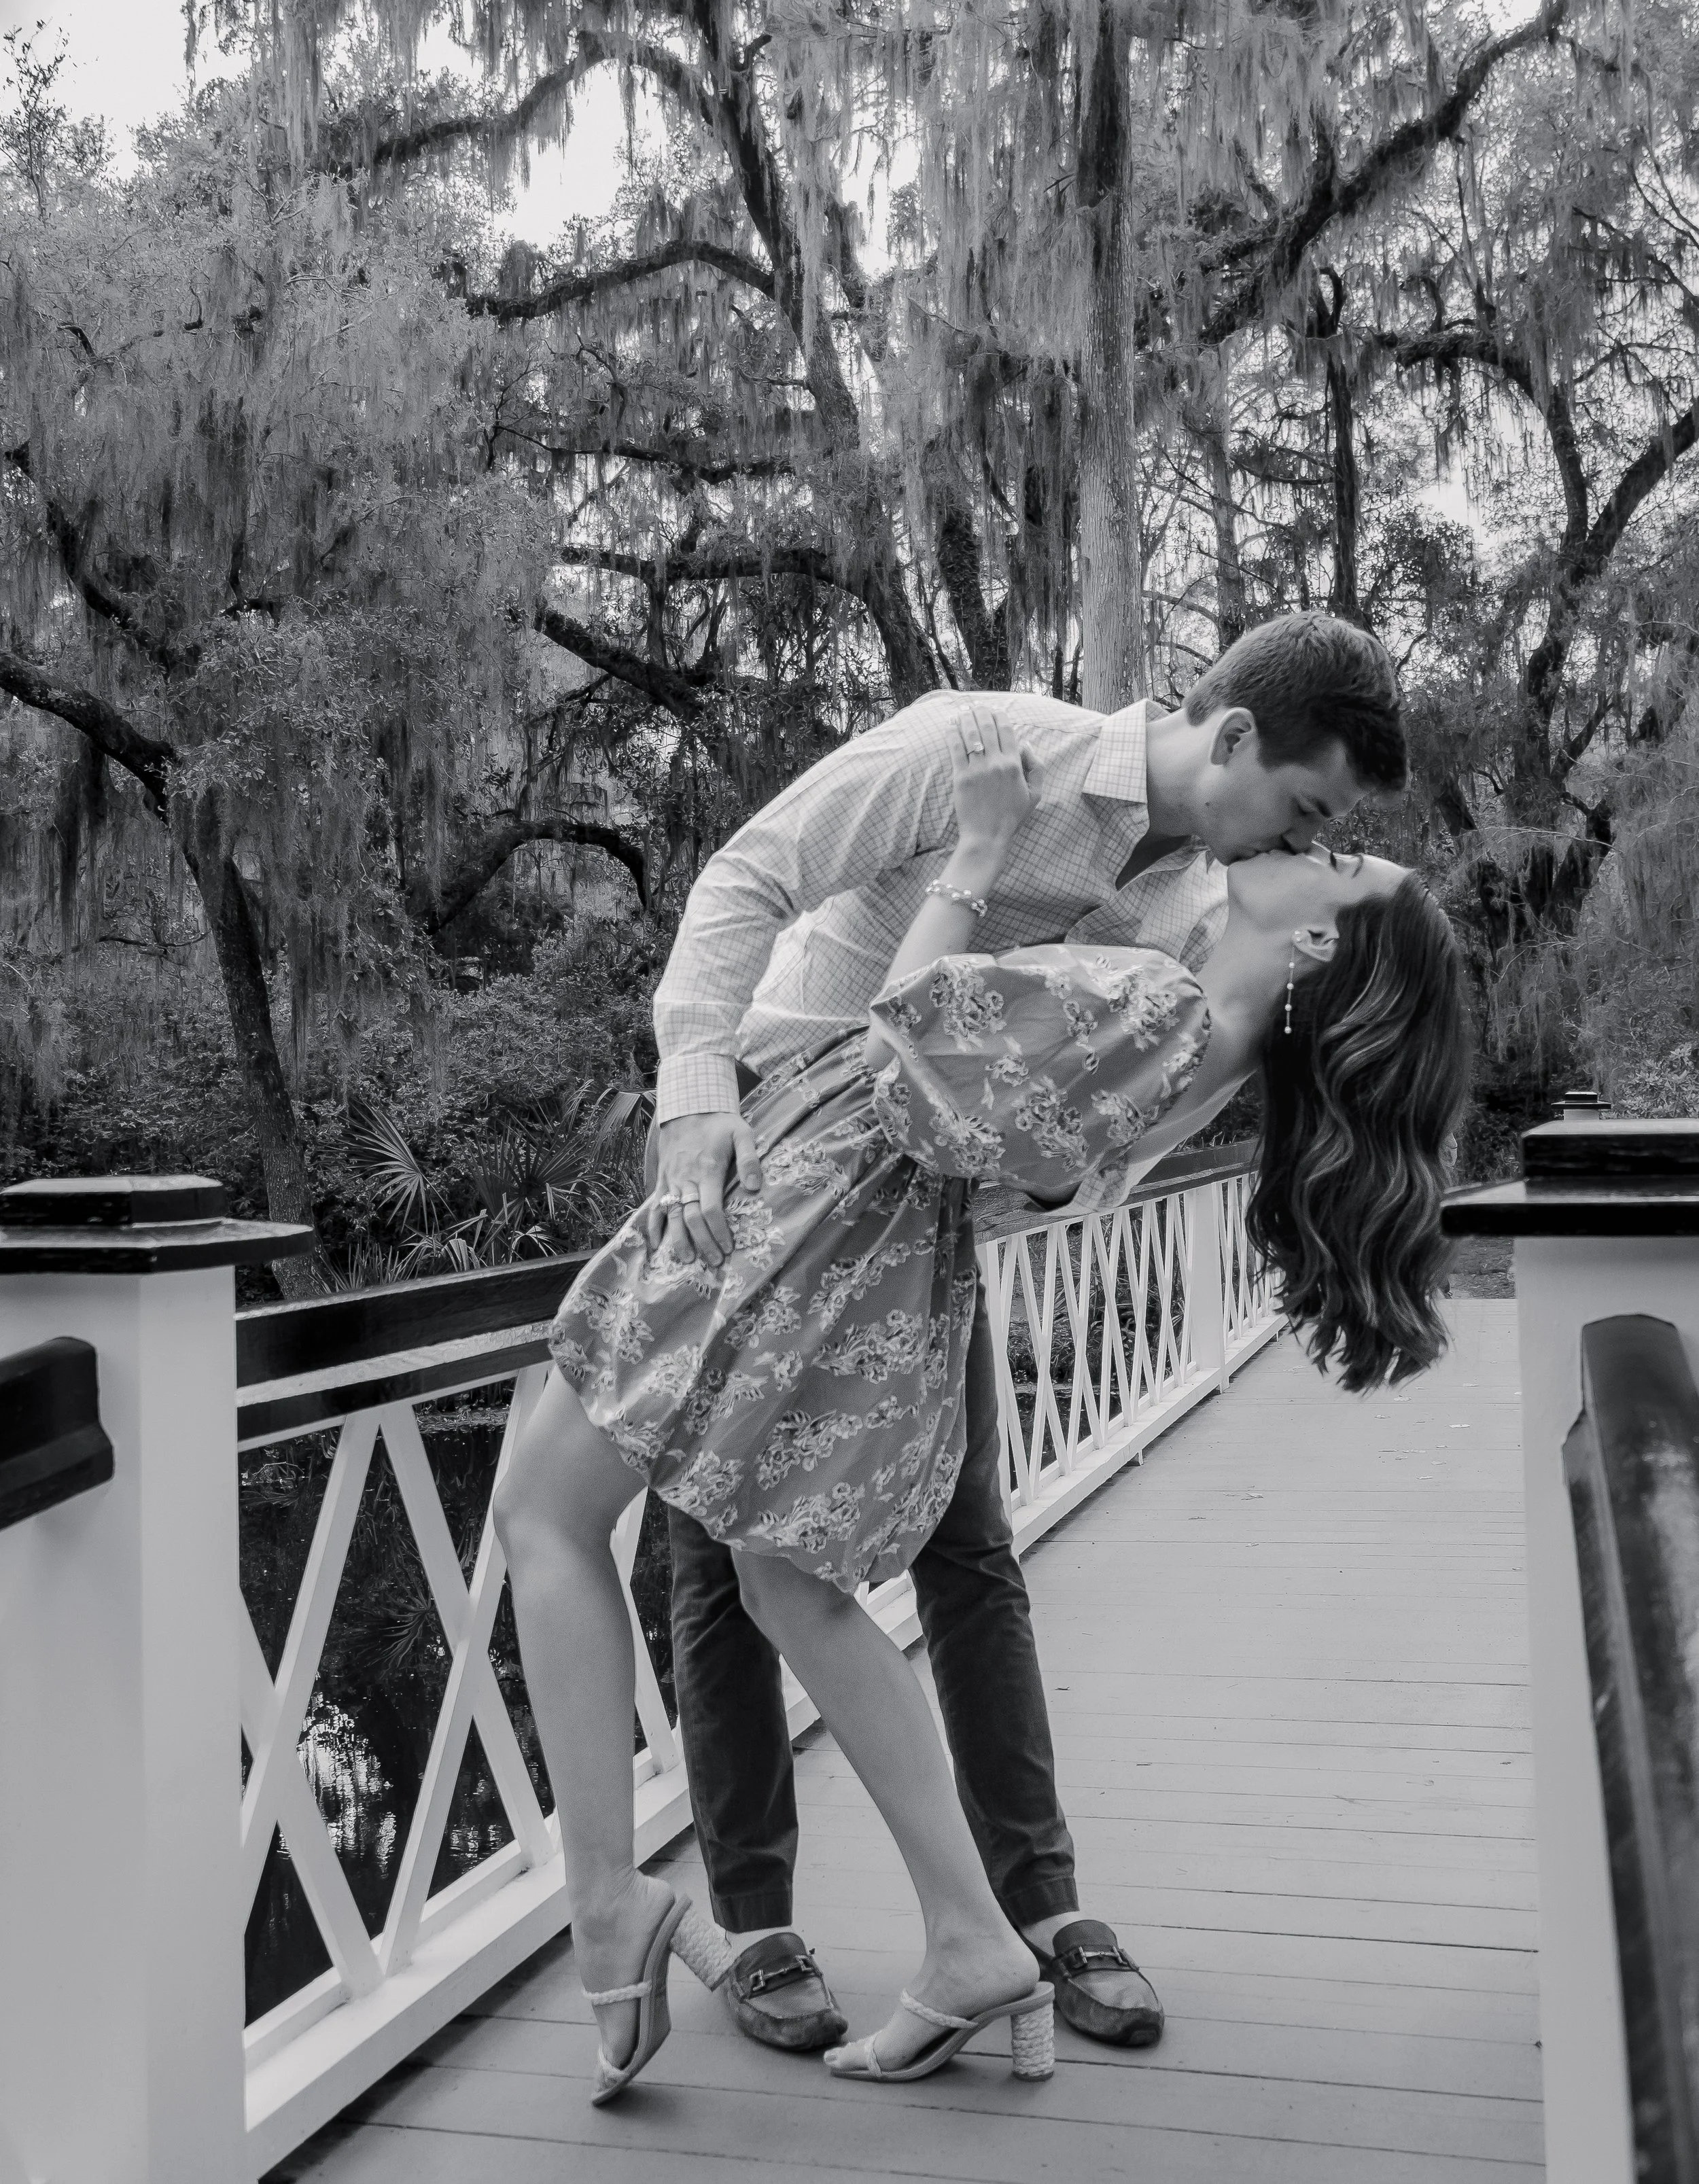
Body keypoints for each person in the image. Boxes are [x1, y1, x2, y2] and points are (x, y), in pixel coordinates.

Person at [491, 703, 1469, 2100]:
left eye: (1331, 865)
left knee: (546, 1515)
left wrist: (975, 851)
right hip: (871, 1243)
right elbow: (1030, 1162)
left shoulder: (1156, 998)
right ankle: (962, 1936)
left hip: (806, 1208)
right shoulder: (1188, 1018)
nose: (1307, 857)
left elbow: (904, 1047)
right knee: (781, 1581)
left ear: (1316, 942)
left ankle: (622, 1910)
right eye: (1319, 829)